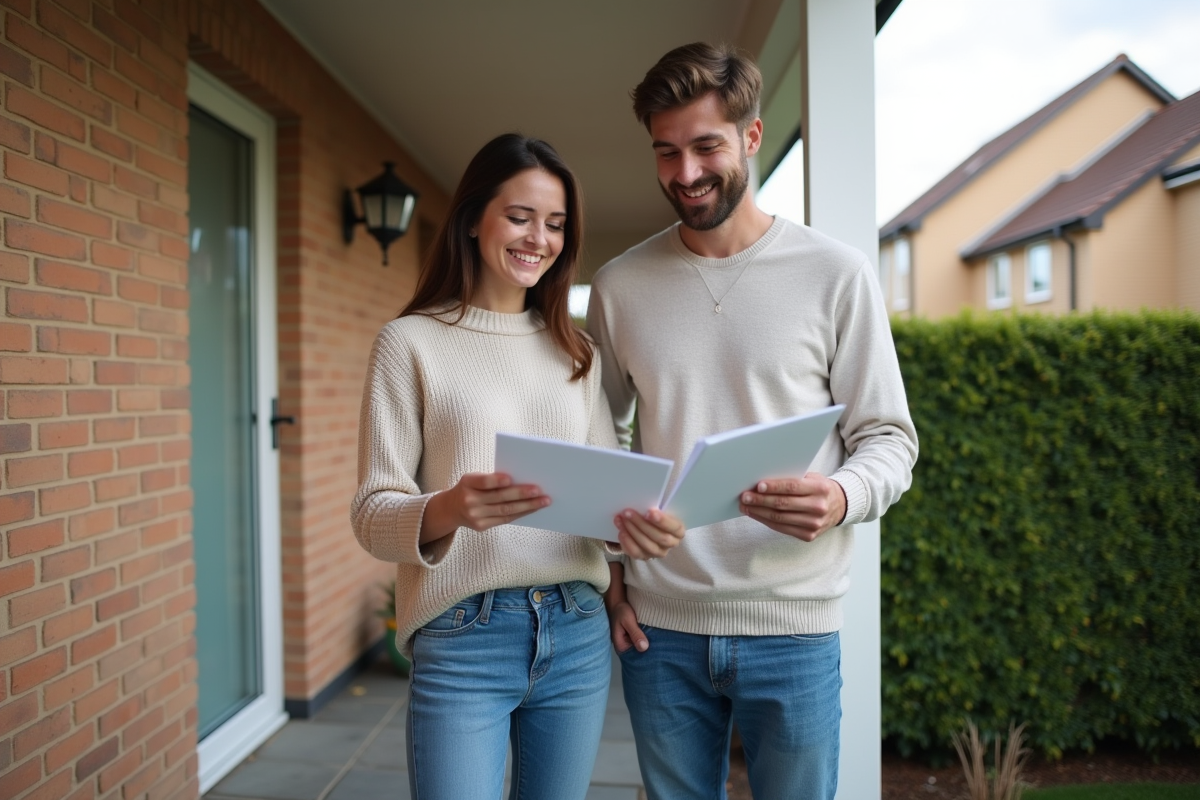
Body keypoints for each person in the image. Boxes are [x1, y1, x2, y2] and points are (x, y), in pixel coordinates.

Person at [587, 43, 919, 799]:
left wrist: (840, 497)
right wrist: (611, 578)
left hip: (795, 628)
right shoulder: (619, 286)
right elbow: (595, 443)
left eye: (705, 146)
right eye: (665, 153)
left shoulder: (835, 274)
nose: (685, 174)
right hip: (659, 630)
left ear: (753, 135)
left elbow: (889, 438)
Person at [350, 133, 684, 800]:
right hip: (463, 634)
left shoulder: (576, 352)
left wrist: (633, 534)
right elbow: (370, 514)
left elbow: (602, 497)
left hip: (575, 628)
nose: (540, 238)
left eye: (556, 224)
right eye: (521, 216)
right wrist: (448, 508)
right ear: (475, 218)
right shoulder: (410, 343)